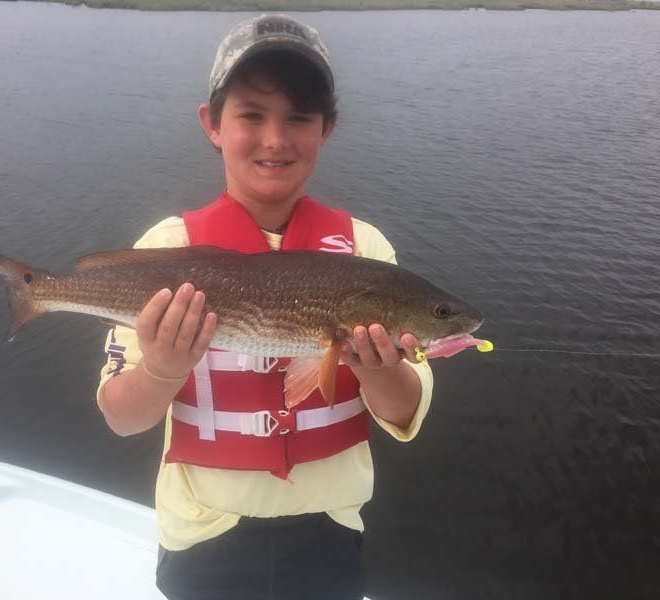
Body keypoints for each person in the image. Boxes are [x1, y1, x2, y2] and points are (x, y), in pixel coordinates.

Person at [96, 14, 434, 600]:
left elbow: (403, 412)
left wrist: (379, 368)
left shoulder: (367, 252)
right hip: (202, 534)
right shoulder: (163, 250)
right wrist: (160, 370)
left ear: (326, 128)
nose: (275, 139)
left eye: (298, 118)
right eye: (251, 114)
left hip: (329, 531)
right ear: (213, 125)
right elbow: (122, 417)